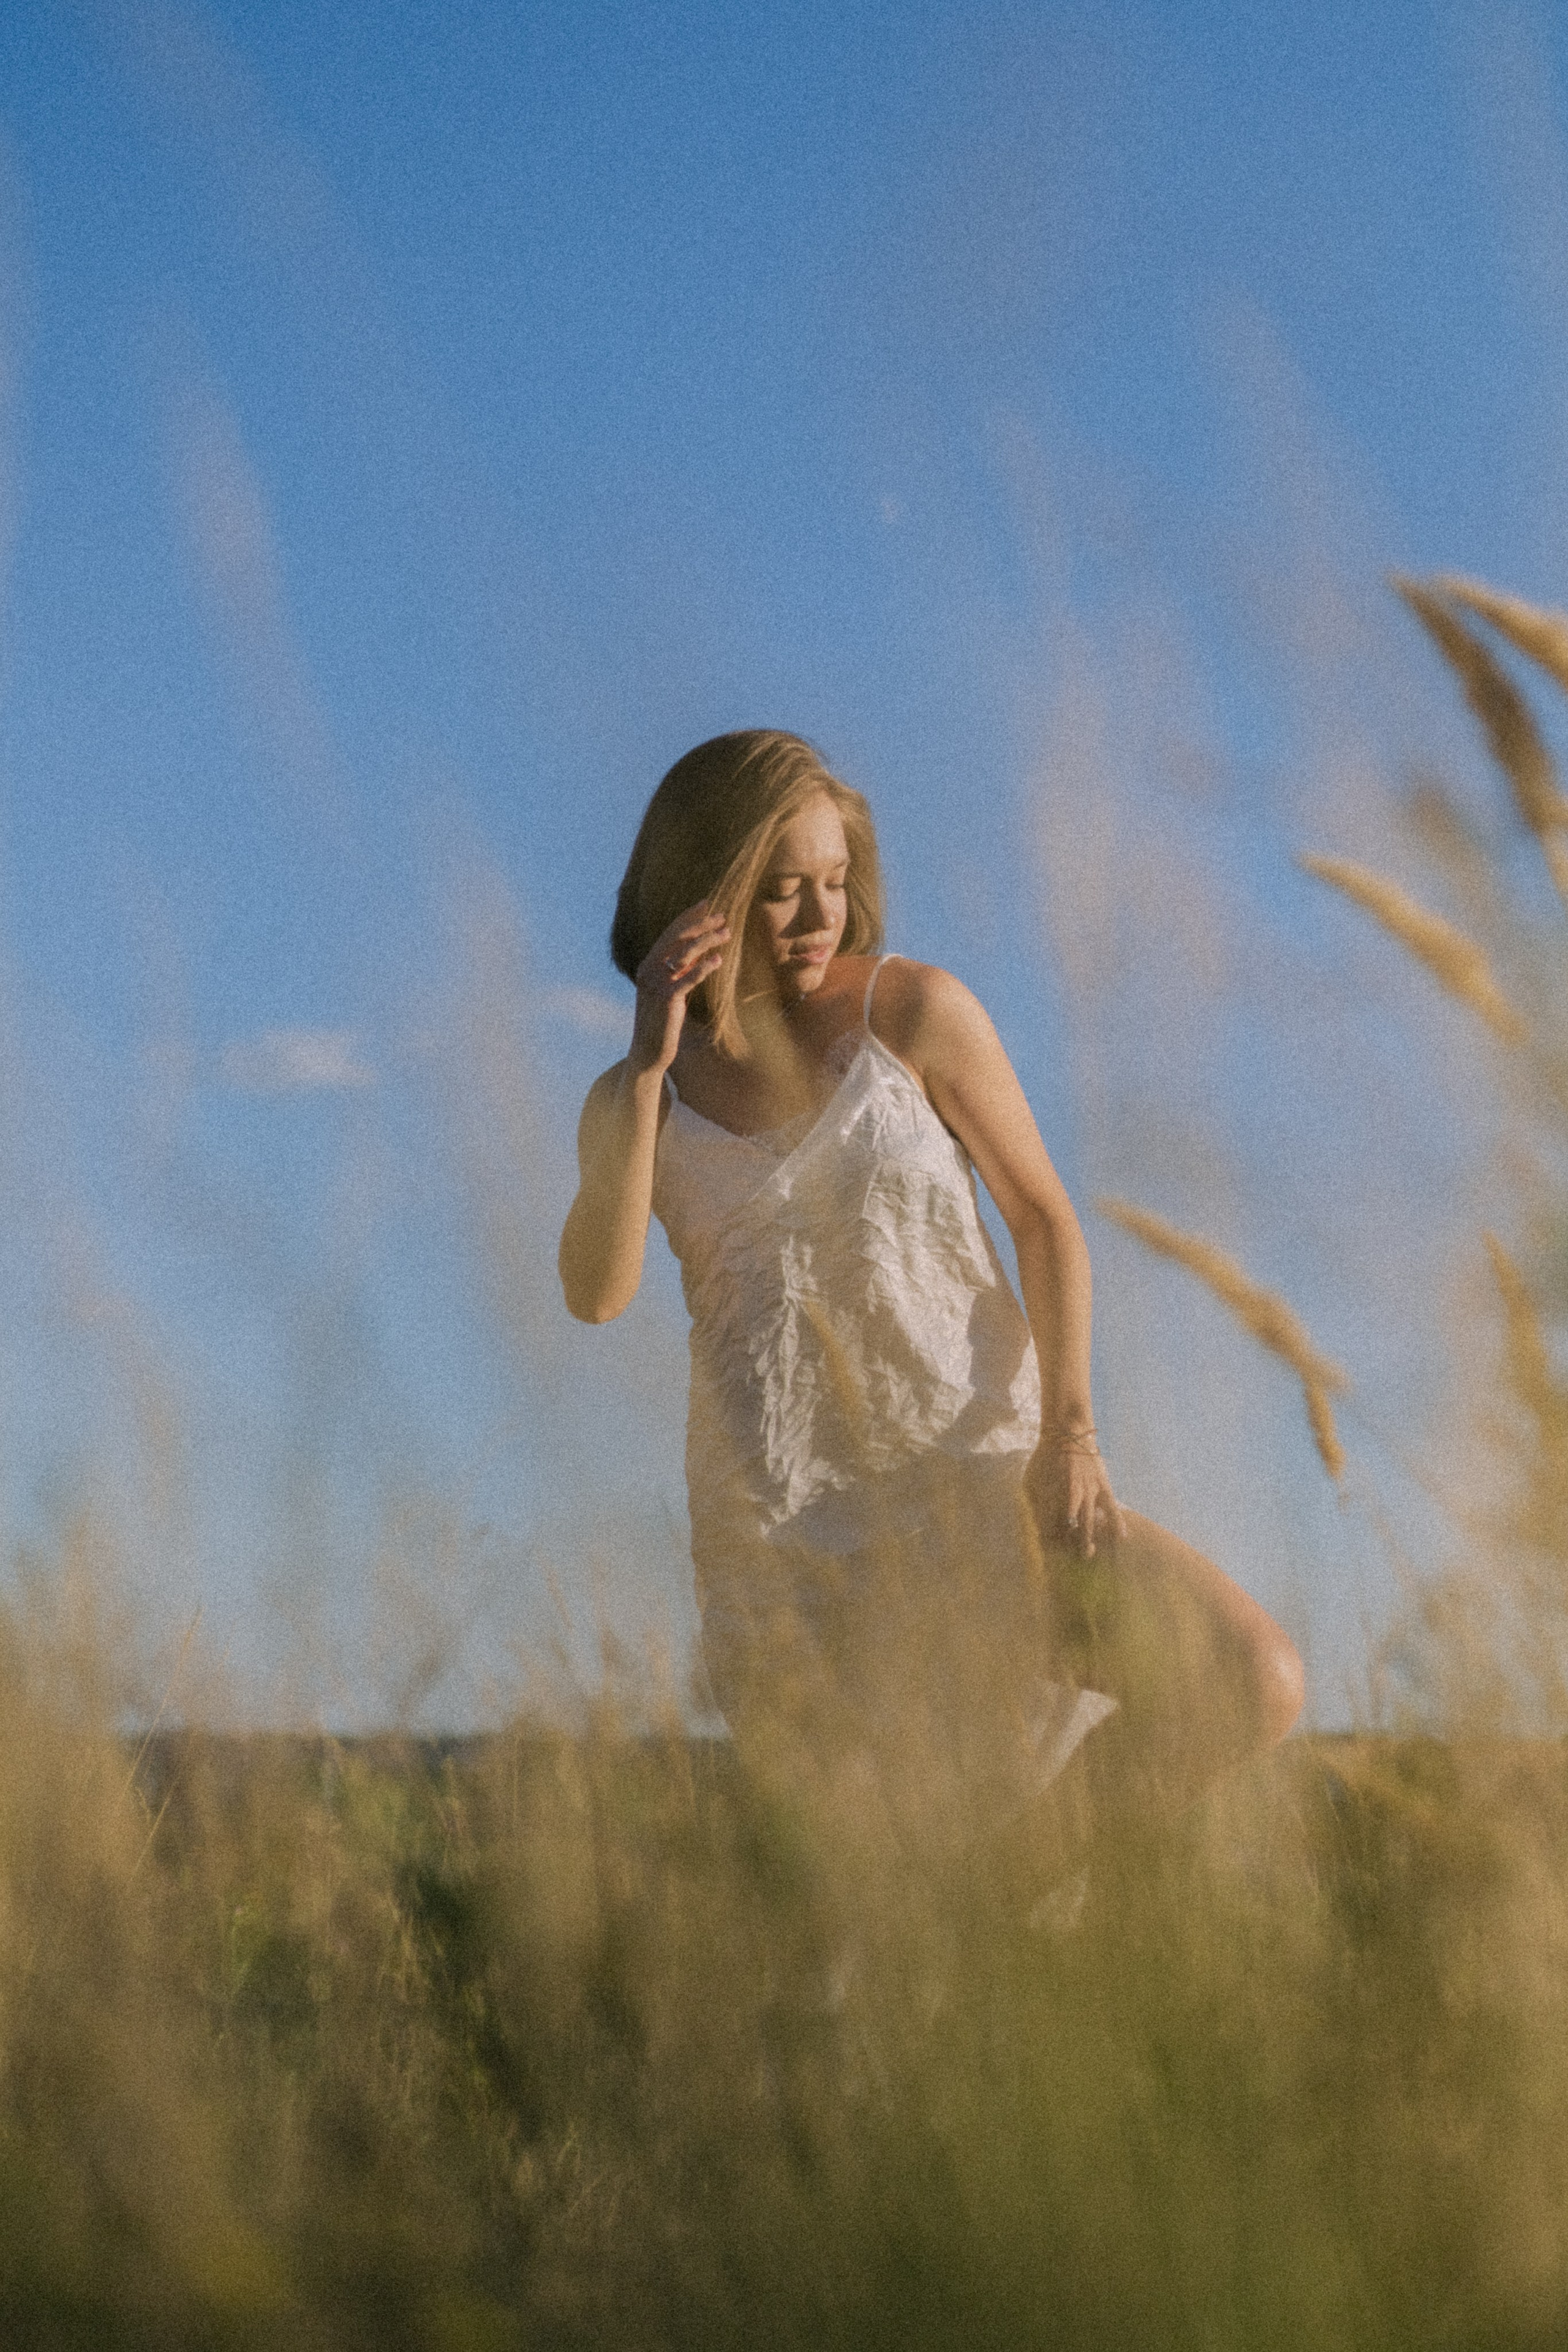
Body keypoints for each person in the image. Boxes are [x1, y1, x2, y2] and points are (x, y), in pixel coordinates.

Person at [559, 731, 1302, 1860]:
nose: (820, 917)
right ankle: (990, 1931)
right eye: (782, 889)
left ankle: (1014, 1900)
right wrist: (652, 1066)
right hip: (790, 1542)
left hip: (983, 1479)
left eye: (835, 881)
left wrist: (1071, 1436)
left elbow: (1044, 1220)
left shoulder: (914, 1013)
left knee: (1249, 1676)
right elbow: (596, 1294)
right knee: (890, 1889)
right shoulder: (634, 1100)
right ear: (704, 891)